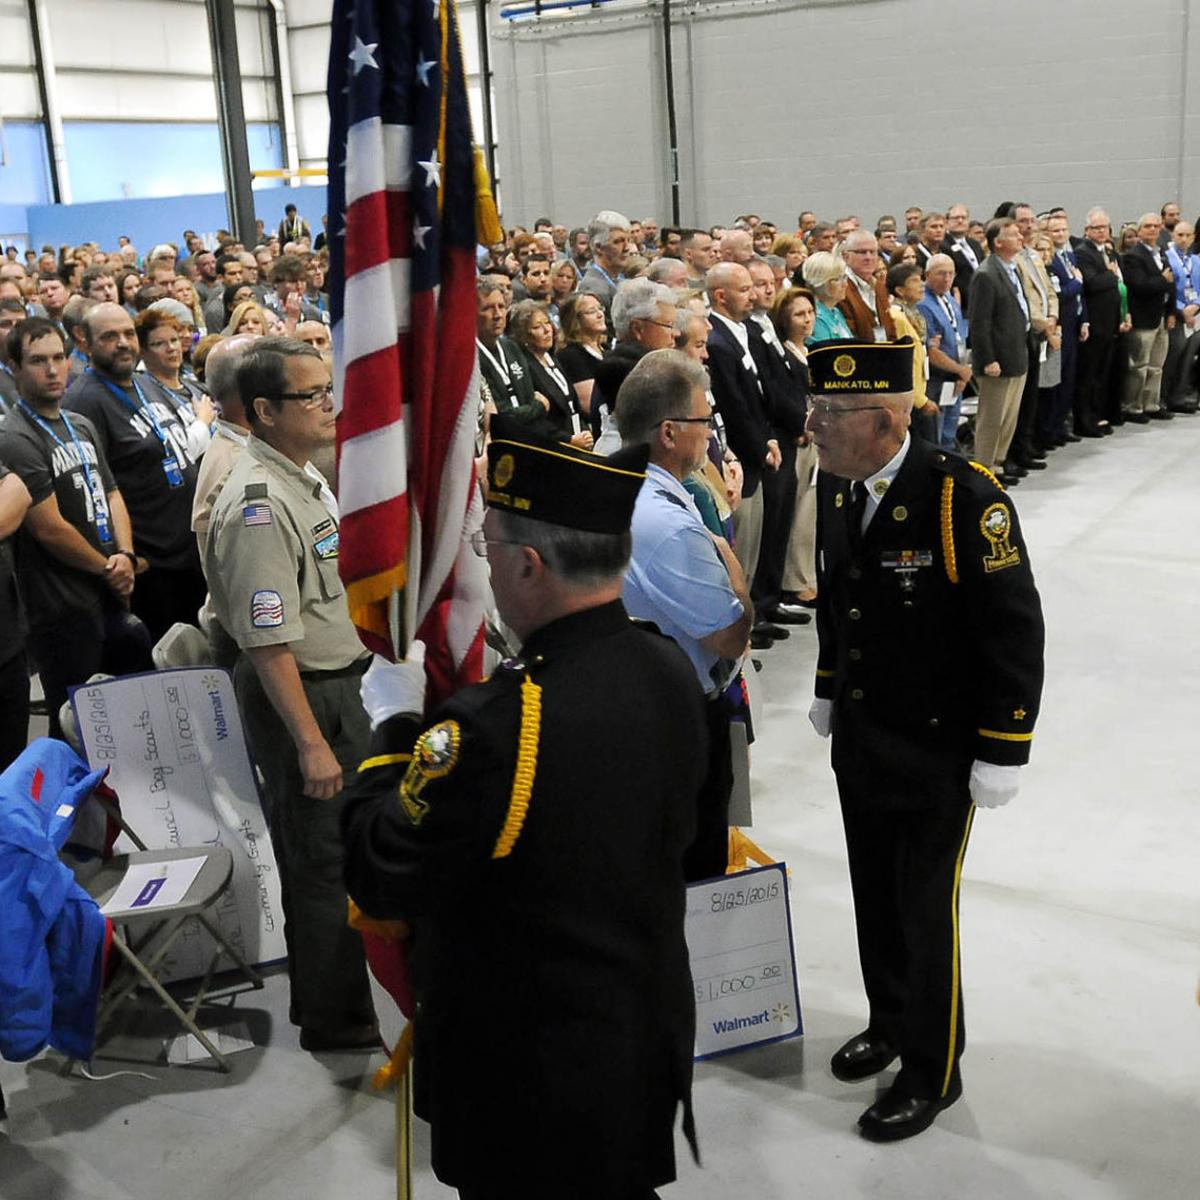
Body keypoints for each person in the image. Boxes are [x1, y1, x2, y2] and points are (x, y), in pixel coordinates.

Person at [341, 414, 703, 1199]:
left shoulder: (501, 723)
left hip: (528, 1072)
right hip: (637, 1038)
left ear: (532, 566)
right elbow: (693, 846)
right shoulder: (668, 666)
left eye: (488, 550)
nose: (484, 568)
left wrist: (394, 726)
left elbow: (381, 867)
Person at [804, 338, 1045, 1142]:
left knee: (922, 905)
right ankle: (890, 1020)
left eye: (830, 414)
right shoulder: (841, 491)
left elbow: (1013, 629)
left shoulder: (959, 498)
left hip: (939, 749)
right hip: (867, 737)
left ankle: (931, 1068)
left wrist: (1004, 746)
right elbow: (842, 604)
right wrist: (829, 689)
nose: (813, 425)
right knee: (874, 893)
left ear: (884, 417)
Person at [206, 336, 376, 1052]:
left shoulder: (299, 476)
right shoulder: (257, 504)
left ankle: (341, 996)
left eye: (326, 389)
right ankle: (334, 1020)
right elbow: (265, 639)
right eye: (311, 396)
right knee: (321, 861)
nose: (328, 405)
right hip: (305, 695)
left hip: (337, 684)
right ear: (265, 410)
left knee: (338, 852)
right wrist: (310, 742)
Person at [620, 349, 753, 880]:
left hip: (644, 706)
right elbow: (729, 634)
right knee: (695, 873)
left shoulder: (628, 487)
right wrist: (737, 577)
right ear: (670, 432)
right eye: (705, 421)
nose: (711, 435)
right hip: (683, 719)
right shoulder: (668, 523)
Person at [0, 317, 153, 739]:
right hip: (59, 607)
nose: (51, 370)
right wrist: (110, 567)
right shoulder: (14, 436)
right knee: (76, 727)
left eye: (58, 358)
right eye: (37, 361)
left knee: (128, 718)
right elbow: (48, 528)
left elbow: (113, 493)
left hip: (107, 588)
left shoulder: (78, 423)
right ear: (13, 367)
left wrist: (124, 555)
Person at [64, 303, 205, 640]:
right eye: (110, 336)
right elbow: (97, 491)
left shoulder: (145, 382)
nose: (123, 342)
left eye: (128, 333)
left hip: (188, 553)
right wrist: (125, 555)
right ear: (85, 343)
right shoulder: (83, 402)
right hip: (152, 567)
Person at [966, 219, 1030, 483]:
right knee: (992, 418)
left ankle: (999, 462)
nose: (1020, 238)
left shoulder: (1013, 268)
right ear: (998, 242)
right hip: (997, 359)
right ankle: (985, 468)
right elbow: (980, 322)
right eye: (1013, 235)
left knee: (1009, 417)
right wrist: (989, 358)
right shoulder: (986, 273)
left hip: (1017, 353)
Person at [506, 300, 592, 448]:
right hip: (554, 447)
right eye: (537, 327)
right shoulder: (525, 369)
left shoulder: (552, 359)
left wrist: (585, 432)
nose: (547, 330)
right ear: (523, 336)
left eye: (547, 323)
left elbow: (571, 405)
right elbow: (536, 421)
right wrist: (569, 440)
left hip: (578, 440)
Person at [1120, 212, 1176, 422]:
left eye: (1156, 226)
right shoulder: (1133, 256)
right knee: (1138, 366)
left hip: (1161, 315)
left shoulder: (1162, 253)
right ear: (1140, 230)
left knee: (1156, 366)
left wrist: (1171, 311)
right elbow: (1140, 285)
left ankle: (1151, 404)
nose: (1152, 230)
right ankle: (1133, 406)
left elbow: (1172, 283)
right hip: (1143, 317)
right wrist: (1161, 279)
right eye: (1147, 226)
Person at [918, 254, 972, 452]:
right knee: (937, 433)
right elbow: (931, 351)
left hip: (955, 375)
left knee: (950, 429)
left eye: (951, 273)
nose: (947, 278)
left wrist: (961, 372)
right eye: (941, 273)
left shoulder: (949, 297)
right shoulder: (923, 303)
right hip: (936, 378)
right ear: (927, 274)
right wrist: (959, 370)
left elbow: (960, 337)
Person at [554, 293, 607, 414]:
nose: (600, 314)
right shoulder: (571, 355)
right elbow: (589, 405)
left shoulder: (605, 348)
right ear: (575, 319)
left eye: (600, 308)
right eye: (591, 311)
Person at [577, 210, 631, 317]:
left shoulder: (618, 278)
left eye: (628, 240)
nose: (626, 248)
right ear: (599, 247)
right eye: (618, 242)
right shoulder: (594, 289)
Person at [802, 253, 854, 343]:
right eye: (837, 279)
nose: (845, 284)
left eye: (845, 278)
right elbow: (827, 353)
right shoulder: (815, 318)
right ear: (821, 282)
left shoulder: (835, 312)